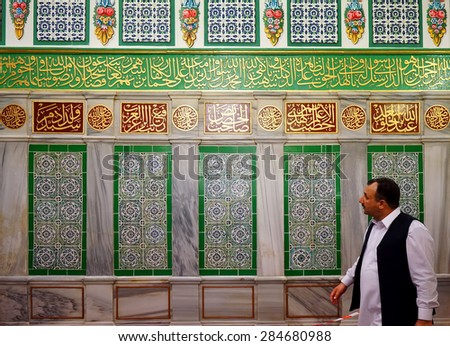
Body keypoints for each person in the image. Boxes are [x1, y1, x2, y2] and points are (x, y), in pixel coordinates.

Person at [330, 177, 439, 326]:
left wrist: (425, 318)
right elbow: (366, 258)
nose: (360, 200)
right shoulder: (373, 226)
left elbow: (425, 278)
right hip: (371, 316)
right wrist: (346, 281)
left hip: (398, 317)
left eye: (366, 197)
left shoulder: (414, 230)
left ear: (381, 204)